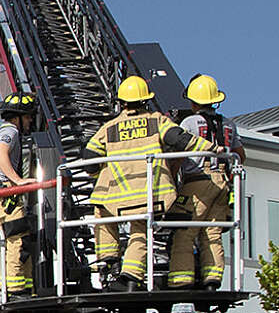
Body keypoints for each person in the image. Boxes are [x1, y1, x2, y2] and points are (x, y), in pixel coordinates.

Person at [84, 76, 210, 290]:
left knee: (102, 213)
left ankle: (109, 261)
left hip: (118, 198)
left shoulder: (109, 128)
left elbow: (90, 160)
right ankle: (131, 276)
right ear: (145, 100)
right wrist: (212, 148)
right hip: (152, 196)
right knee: (139, 231)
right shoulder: (156, 121)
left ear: (122, 102)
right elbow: (180, 140)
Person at [170, 74, 236, 290]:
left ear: (194, 102)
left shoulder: (189, 123)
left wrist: (171, 182)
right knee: (212, 234)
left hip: (197, 182)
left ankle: (181, 280)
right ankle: (212, 279)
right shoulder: (229, 125)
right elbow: (240, 155)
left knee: (185, 232)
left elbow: (178, 156)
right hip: (222, 184)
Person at [0, 92, 43, 301]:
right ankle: (17, 291)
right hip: (6, 199)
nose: (29, 122)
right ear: (17, 117)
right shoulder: (10, 132)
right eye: (27, 117)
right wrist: (17, 181)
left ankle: (22, 289)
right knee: (18, 242)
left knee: (12, 243)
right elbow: (1, 154)